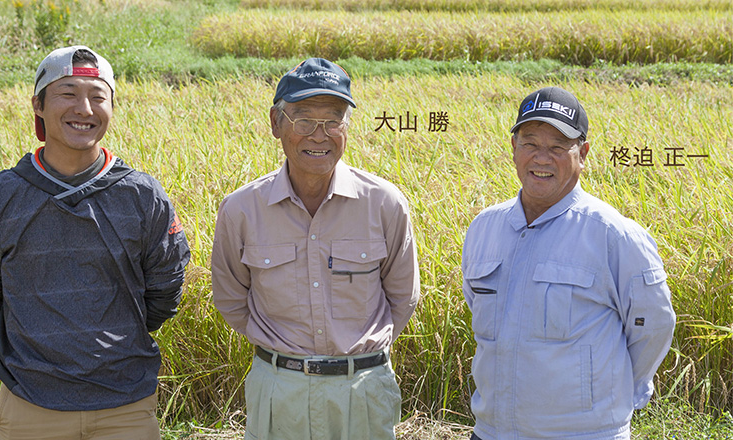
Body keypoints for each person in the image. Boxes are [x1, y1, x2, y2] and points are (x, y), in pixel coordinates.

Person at [0, 45, 191, 440]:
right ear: (39, 105)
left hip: (126, 407)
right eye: (67, 93)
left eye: (97, 96)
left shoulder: (142, 194)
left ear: (112, 108)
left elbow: (166, 288)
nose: (84, 108)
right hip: (30, 404)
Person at [211, 57, 420, 440]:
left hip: (362, 392)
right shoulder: (242, 209)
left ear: (347, 126)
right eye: (304, 119)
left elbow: (403, 297)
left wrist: (355, 359)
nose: (319, 135)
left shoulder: (385, 203)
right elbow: (230, 298)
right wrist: (286, 358)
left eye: (333, 120)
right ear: (276, 123)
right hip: (279, 392)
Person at [461, 86, 676, 440]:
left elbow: (653, 326)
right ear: (513, 147)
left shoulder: (612, 235)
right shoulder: (485, 228)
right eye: (530, 143)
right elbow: (480, 312)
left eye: (558, 147)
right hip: (491, 432)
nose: (542, 158)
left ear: (583, 153)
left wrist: (615, 395)